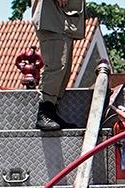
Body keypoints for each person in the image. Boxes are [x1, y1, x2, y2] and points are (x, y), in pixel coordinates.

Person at [31, 0, 85, 131]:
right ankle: (44, 112)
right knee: (56, 66)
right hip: (52, 18)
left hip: (62, 20)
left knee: (64, 69)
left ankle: (51, 112)